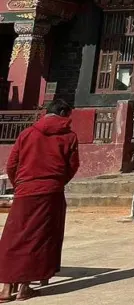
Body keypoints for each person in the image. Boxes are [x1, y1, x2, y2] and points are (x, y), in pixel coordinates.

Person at [0, 99, 80, 301]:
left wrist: (20, 183)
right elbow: (72, 166)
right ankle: (25, 287)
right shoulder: (69, 137)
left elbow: (12, 164)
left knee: (15, 237)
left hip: (25, 191)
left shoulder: (28, 133)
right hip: (50, 192)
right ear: (63, 112)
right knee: (39, 238)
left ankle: (6, 288)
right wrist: (56, 182)